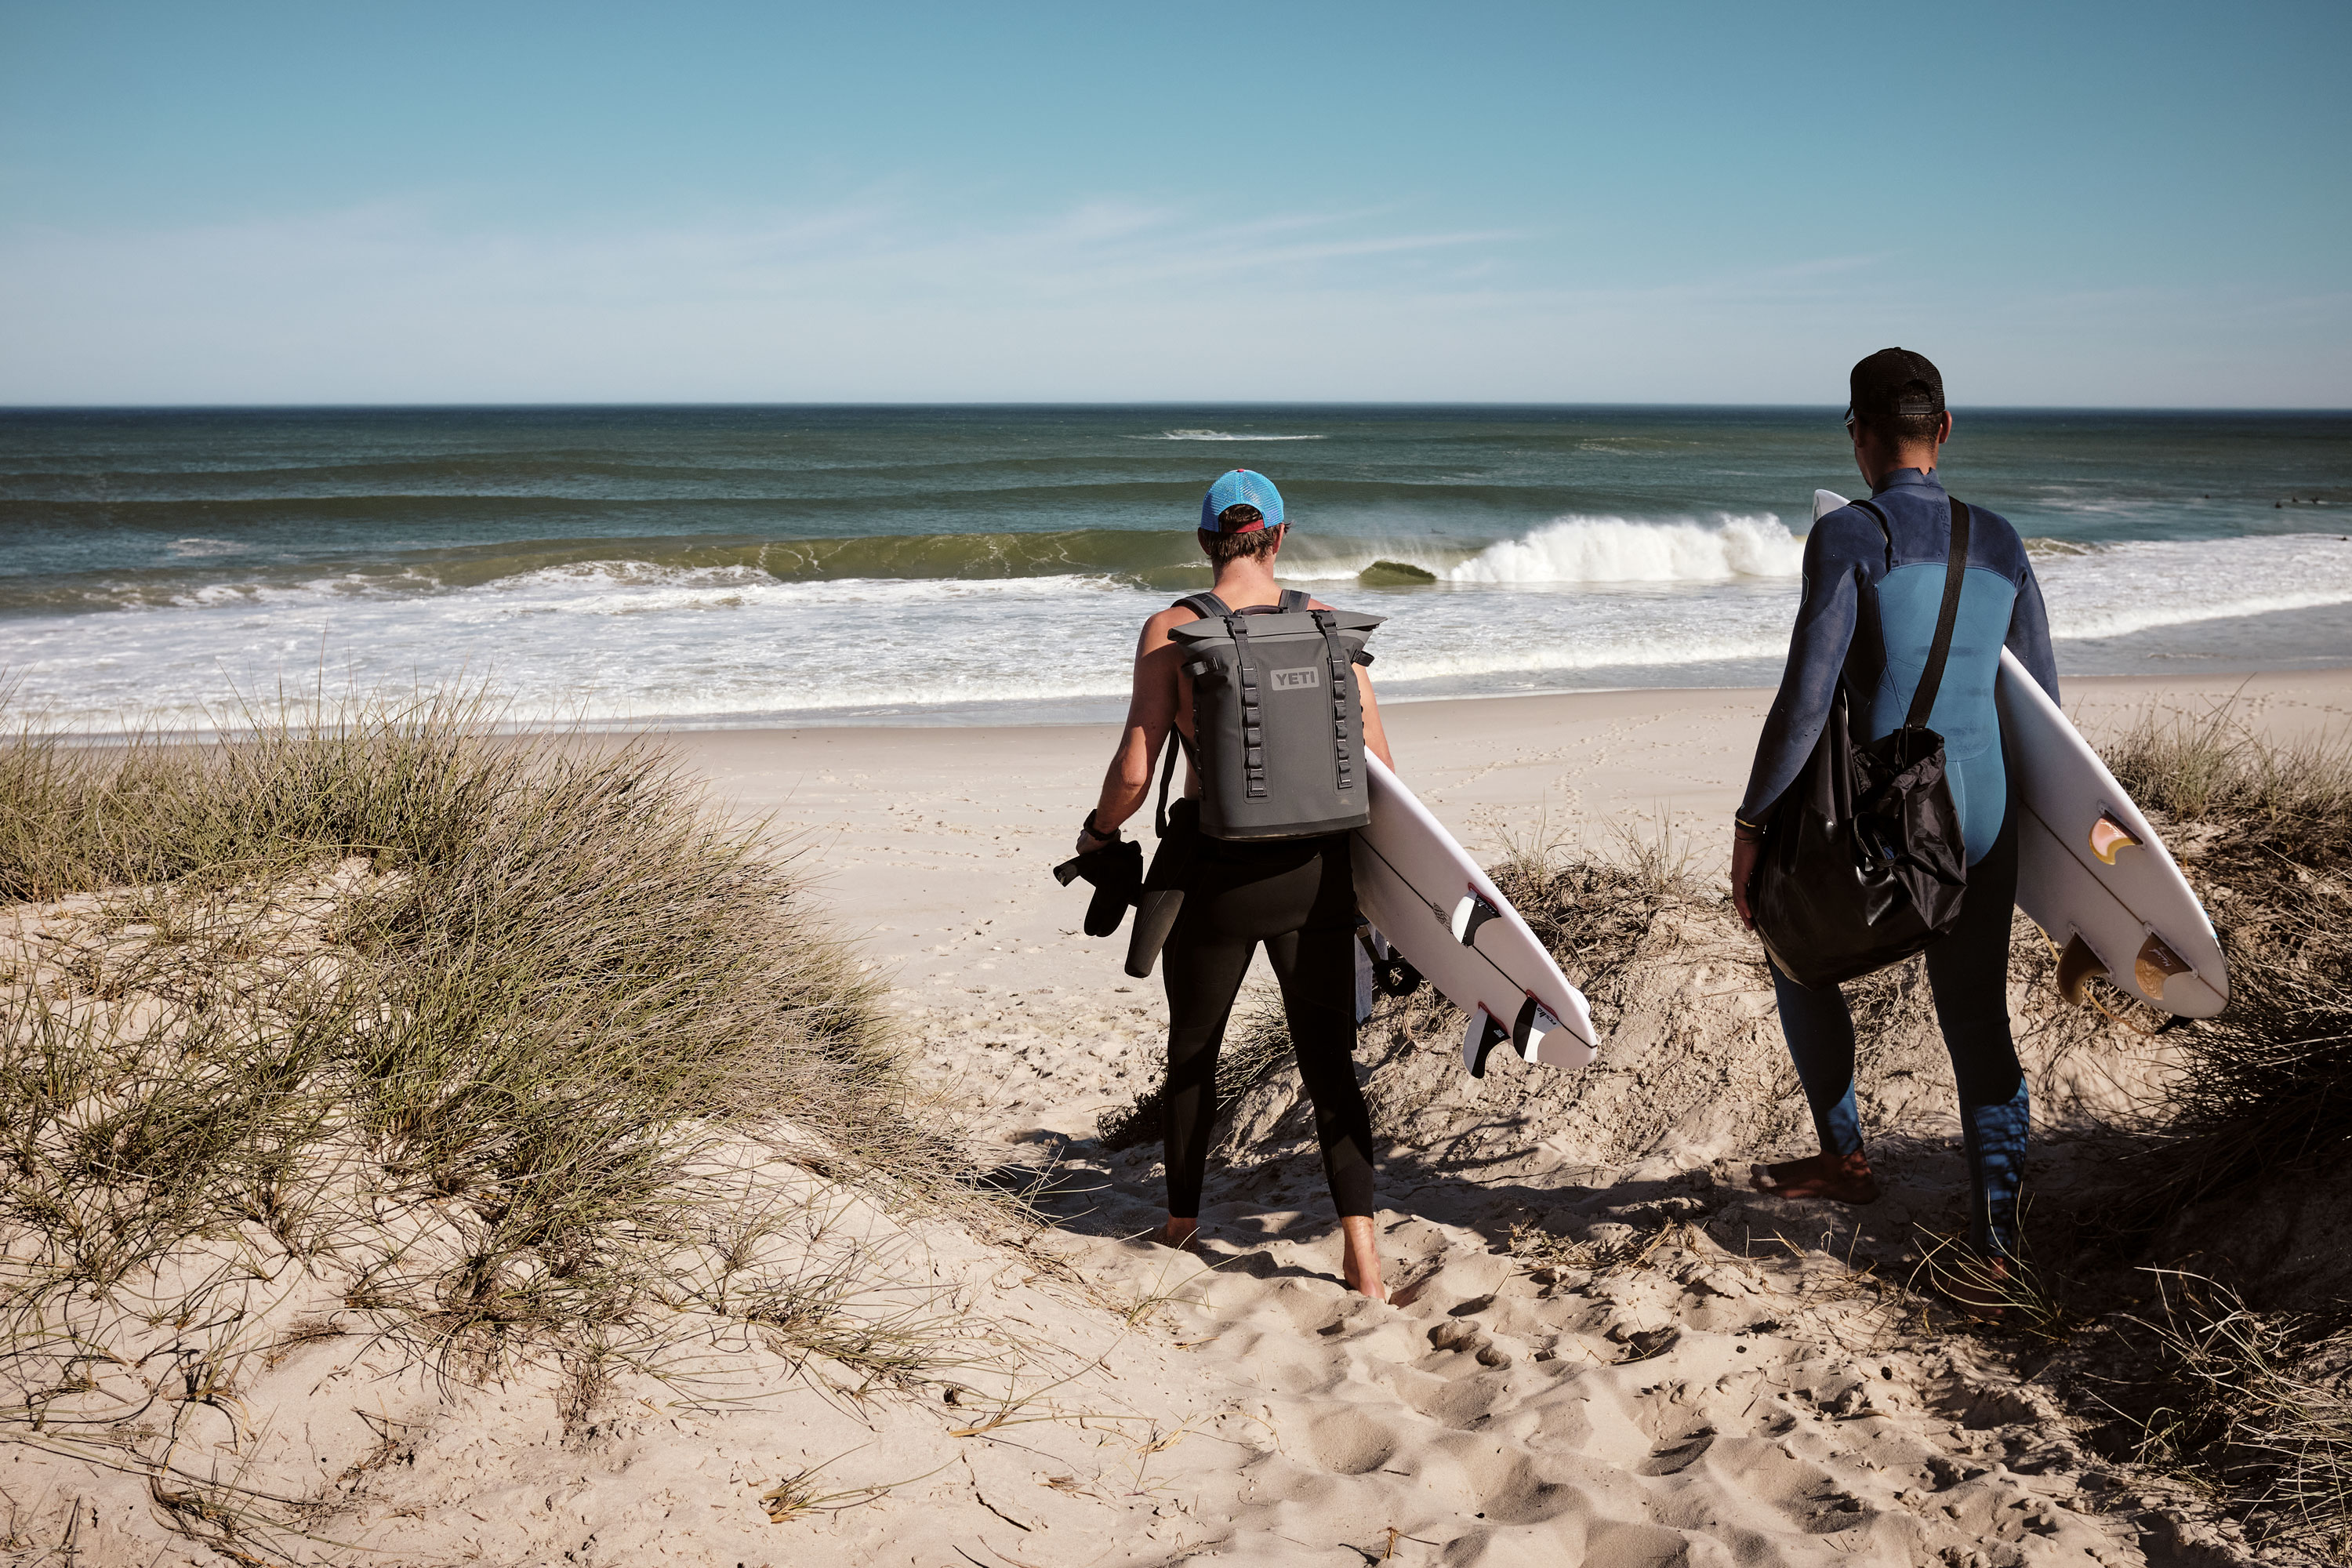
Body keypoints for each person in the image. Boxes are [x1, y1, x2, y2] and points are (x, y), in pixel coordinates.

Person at [1728, 349, 2060, 1307]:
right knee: (1977, 1019)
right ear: (1944, 430)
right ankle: (1997, 1244)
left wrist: (1752, 824)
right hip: (1983, 818)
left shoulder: (1847, 536)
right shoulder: (2001, 540)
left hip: (1883, 828)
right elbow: (2041, 704)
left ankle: (1846, 1158)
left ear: (1859, 436)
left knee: (1794, 949)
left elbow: (1805, 701)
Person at [1073, 470, 1396, 1300]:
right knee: (1328, 1062)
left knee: (1195, 1050)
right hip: (1318, 875)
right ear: (1280, 537)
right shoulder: (1328, 625)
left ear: (1204, 541)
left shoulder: (1172, 629)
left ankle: (1182, 1225)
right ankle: (1363, 1257)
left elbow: (1135, 770)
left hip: (1216, 875)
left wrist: (1098, 833)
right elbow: (1382, 769)